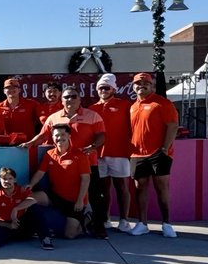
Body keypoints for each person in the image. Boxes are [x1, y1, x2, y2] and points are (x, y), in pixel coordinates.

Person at [24, 85, 107, 238]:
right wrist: (30, 143)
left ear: (80, 99)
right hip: (62, 164)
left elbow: (101, 135)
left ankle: (99, 226)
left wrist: (93, 146)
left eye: (73, 96)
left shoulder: (93, 115)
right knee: (62, 193)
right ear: (61, 100)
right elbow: (42, 135)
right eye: (67, 97)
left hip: (88, 162)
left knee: (94, 196)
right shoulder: (54, 117)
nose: (70, 99)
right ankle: (72, 222)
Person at [127, 71, 179, 238]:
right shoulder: (133, 106)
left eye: (145, 84)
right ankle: (142, 224)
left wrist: (164, 149)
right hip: (137, 154)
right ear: (133, 87)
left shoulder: (163, 103)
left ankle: (167, 224)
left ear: (152, 86)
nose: (141, 86)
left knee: (161, 187)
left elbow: (172, 126)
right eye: (138, 84)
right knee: (140, 188)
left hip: (159, 153)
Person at [27, 124, 90, 246]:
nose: (59, 138)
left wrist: (80, 200)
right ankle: (29, 229)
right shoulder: (49, 154)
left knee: (69, 235)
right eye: (56, 135)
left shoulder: (80, 155)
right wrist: (30, 185)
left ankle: (86, 222)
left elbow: (86, 179)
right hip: (56, 196)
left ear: (69, 136)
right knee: (30, 199)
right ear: (52, 137)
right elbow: (40, 173)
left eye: (63, 135)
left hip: (74, 201)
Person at [91, 73, 134, 232]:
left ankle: (124, 220)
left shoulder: (125, 105)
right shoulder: (92, 108)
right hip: (98, 154)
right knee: (103, 189)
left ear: (113, 89)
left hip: (120, 152)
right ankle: (106, 218)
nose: (103, 90)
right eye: (101, 87)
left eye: (106, 87)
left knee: (122, 187)